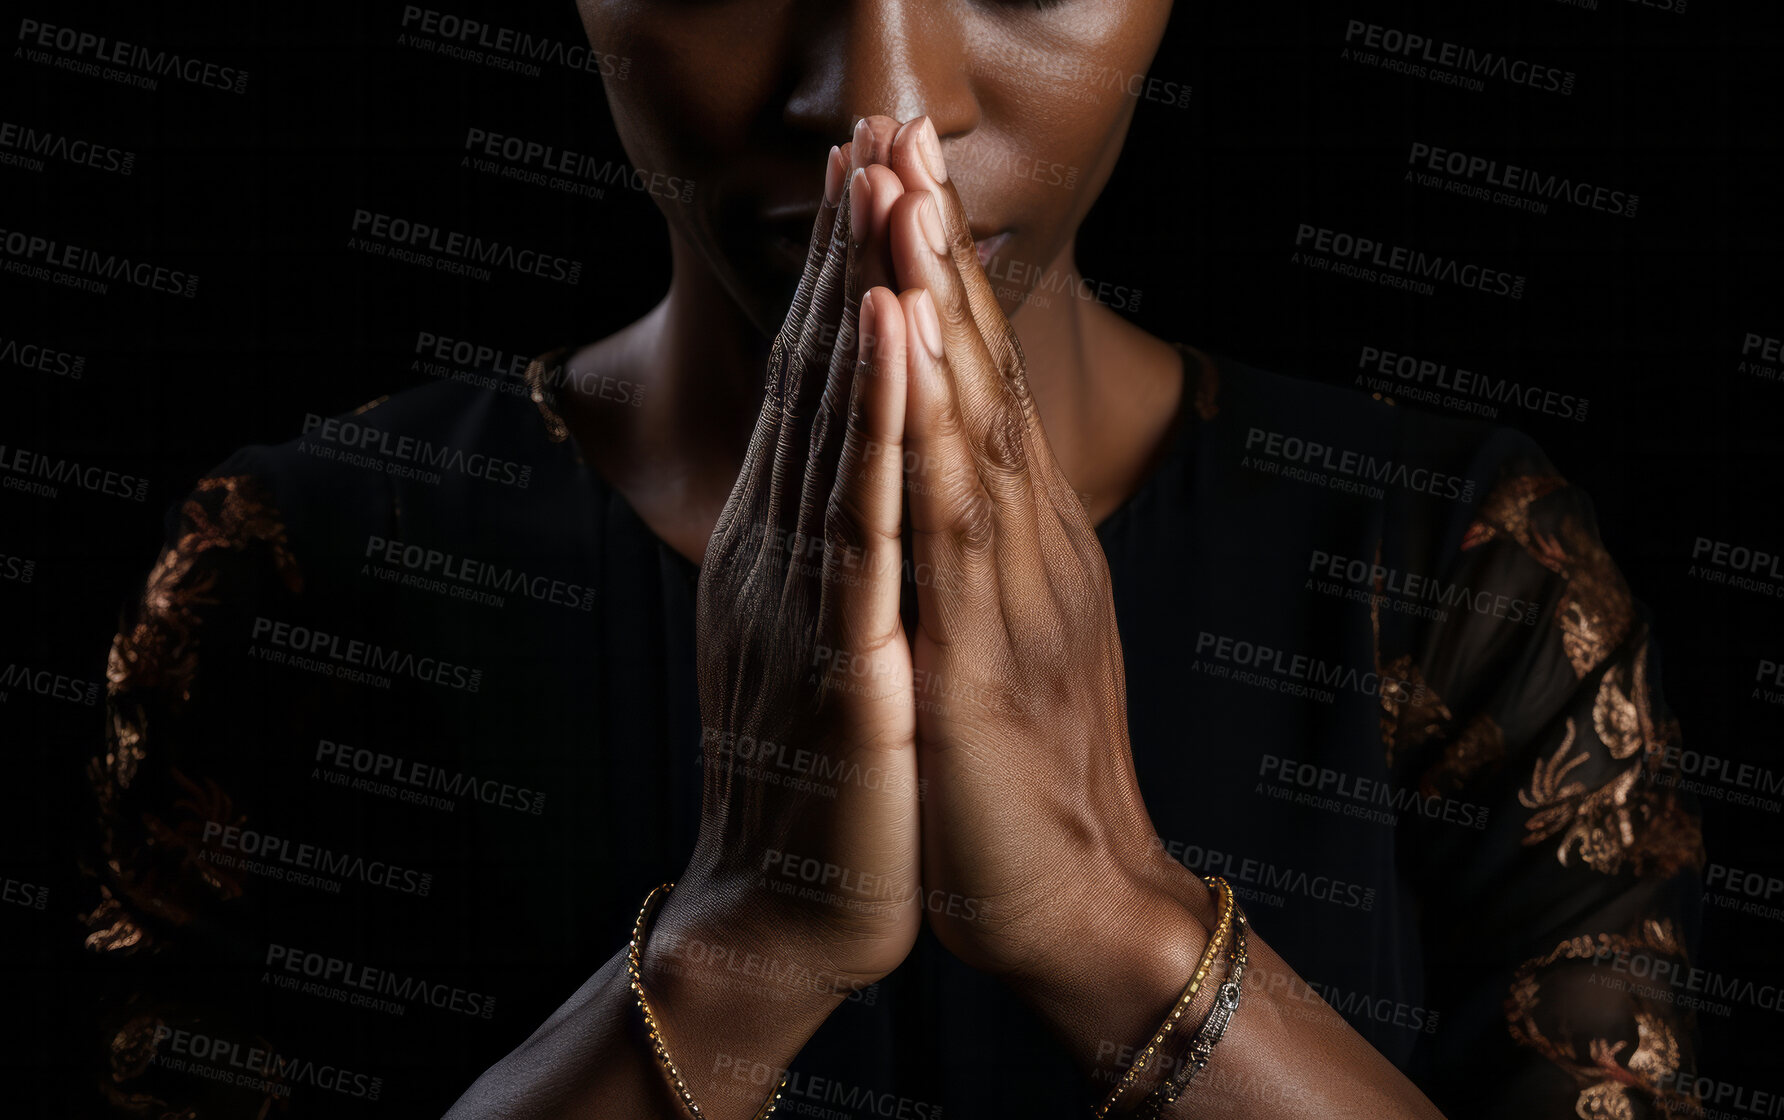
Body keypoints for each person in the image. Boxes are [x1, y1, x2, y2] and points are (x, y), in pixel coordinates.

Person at [79, 4, 1705, 1118]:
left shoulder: (1449, 570)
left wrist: (1103, 918)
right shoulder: (303, 575)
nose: (884, 100)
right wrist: (748, 949)